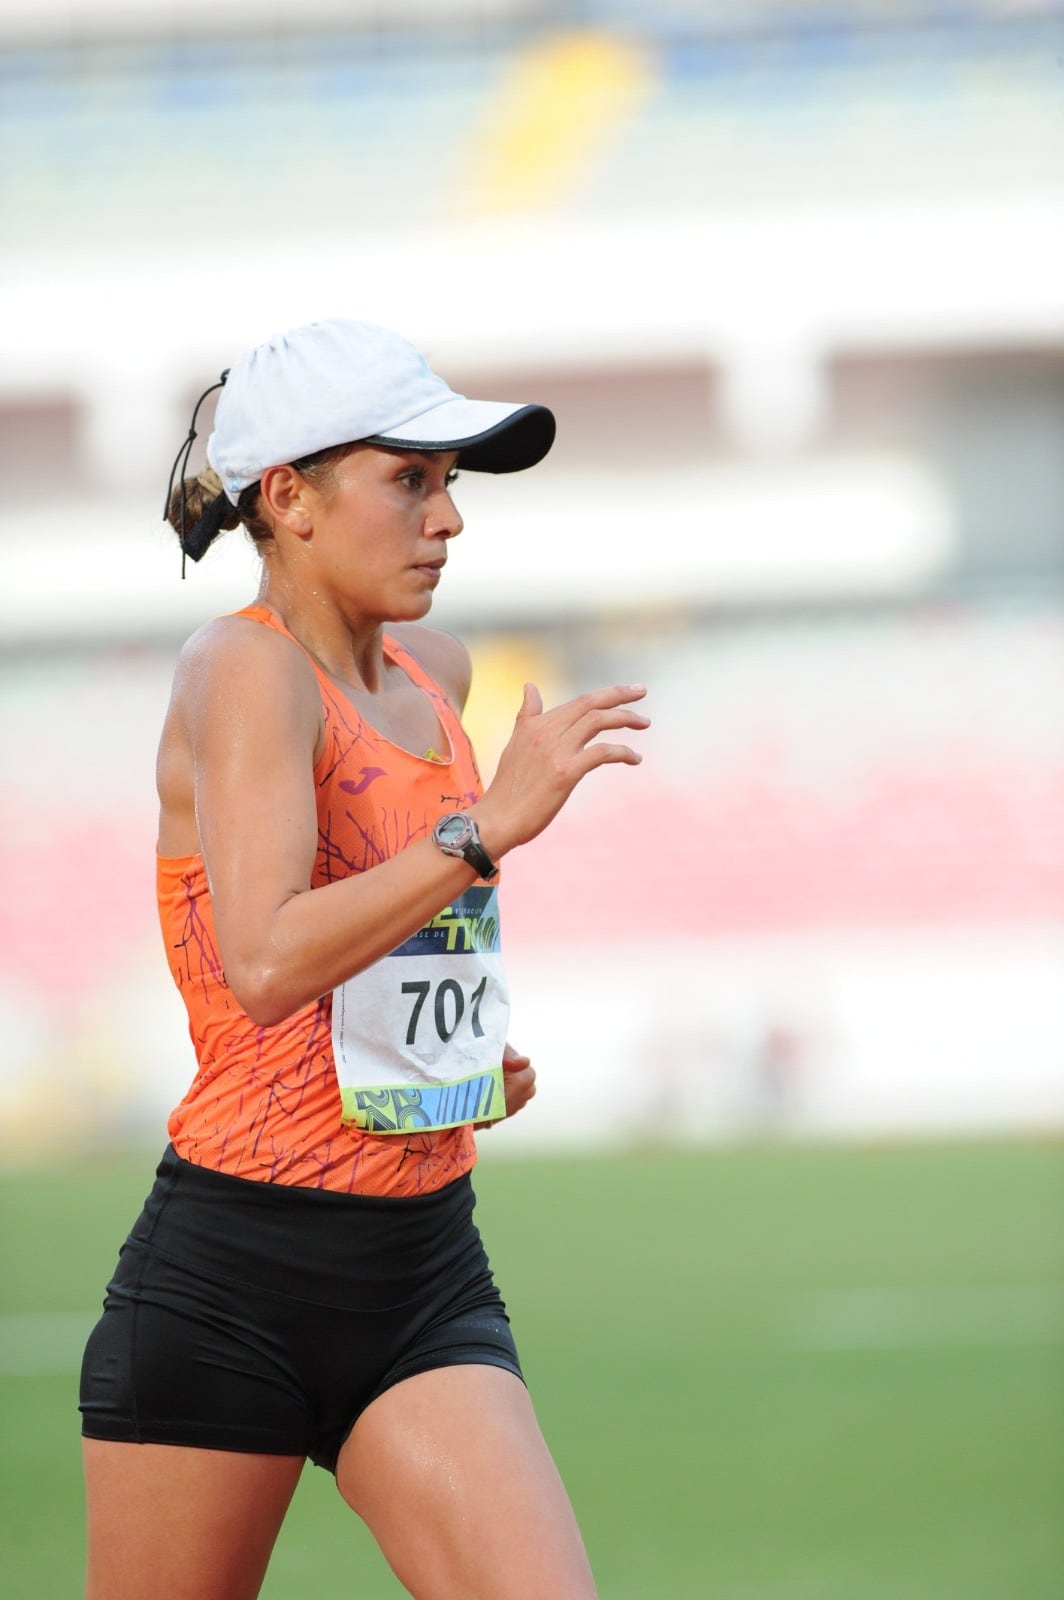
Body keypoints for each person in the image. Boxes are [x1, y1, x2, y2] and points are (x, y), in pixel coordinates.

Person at [78, 317, 649, 1600]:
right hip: (233, 1276)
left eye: (449, 482)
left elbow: (380, 951)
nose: (447, 517)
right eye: (409, 478)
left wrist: (444, 1066)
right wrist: (486, 825)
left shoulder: (433, 674)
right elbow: (267, 958)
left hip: (421, 1268)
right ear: (286, 497)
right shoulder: (239, 669)